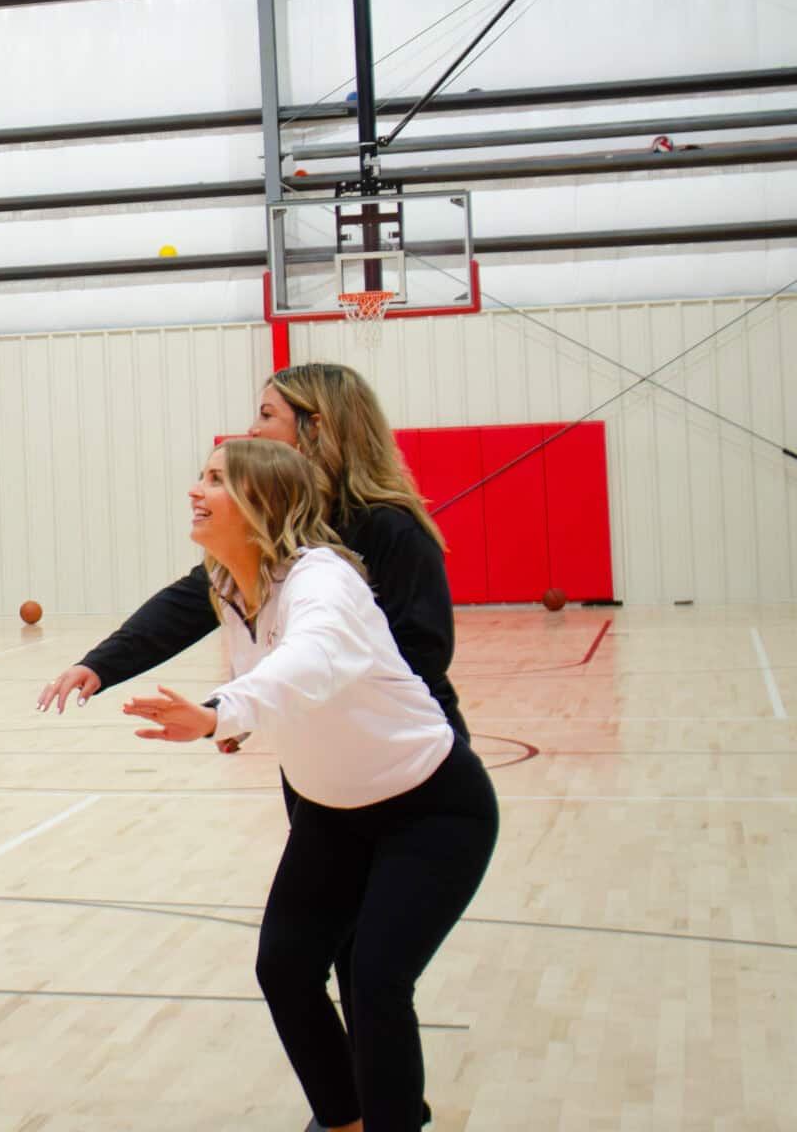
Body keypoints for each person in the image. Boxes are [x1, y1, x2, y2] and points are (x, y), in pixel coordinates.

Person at [125, 437, 497, 1132]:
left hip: (433, 811)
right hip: (334, 817)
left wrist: (218, 713)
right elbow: (283, 683)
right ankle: (346, 1121)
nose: (194, 491)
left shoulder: (325, 581)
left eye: (214, 480)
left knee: (378, 980)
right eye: (198, 475)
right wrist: (236, 715)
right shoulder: (233, 587)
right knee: (286, 969)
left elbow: (309, 661)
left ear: (264, 502)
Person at [38, 362, 463, 743]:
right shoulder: (274, 529)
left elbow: (423, 651)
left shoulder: (389, 526)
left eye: (267, 414)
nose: (254, 429)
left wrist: (253, 705)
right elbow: (192, 601)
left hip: (404, 744)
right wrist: (100, 665)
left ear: (315, 426)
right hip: (317, 749)